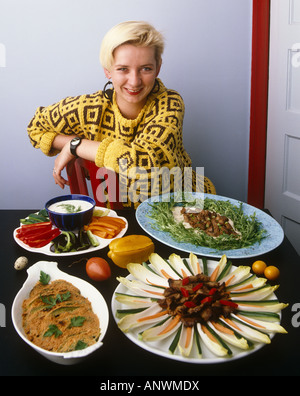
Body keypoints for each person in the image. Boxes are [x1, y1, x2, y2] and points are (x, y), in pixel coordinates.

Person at [27, 21, 215, 208]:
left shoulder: (170, 103)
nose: (134, 81)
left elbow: (145, 166)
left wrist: (76, 146)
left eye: (146, 69)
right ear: (107, 71)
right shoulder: (90, 107)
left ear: (158, 68)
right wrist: (73, 144)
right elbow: (36, 127)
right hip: (119, 221)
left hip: (185, 210)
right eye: (123, 69)